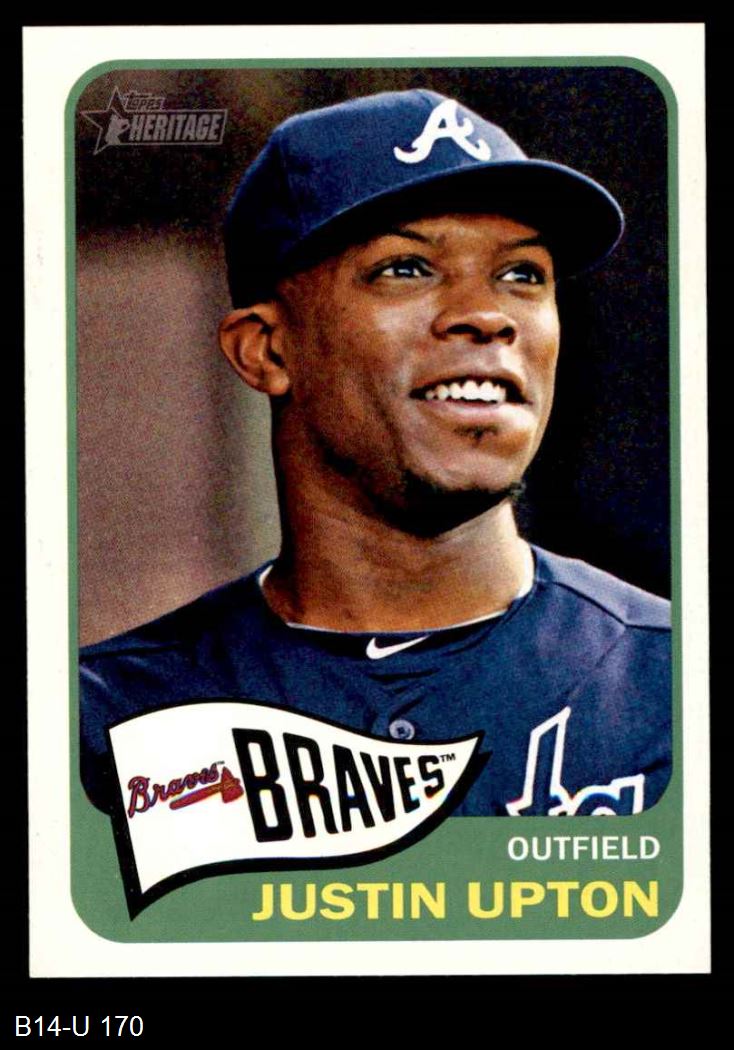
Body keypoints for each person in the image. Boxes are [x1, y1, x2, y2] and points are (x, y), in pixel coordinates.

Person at [80, 89, 671, 818]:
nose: (487, 315)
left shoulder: (672, 685)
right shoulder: (105, 722)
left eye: (522, 274)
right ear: (266, 350)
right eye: (407, 268)